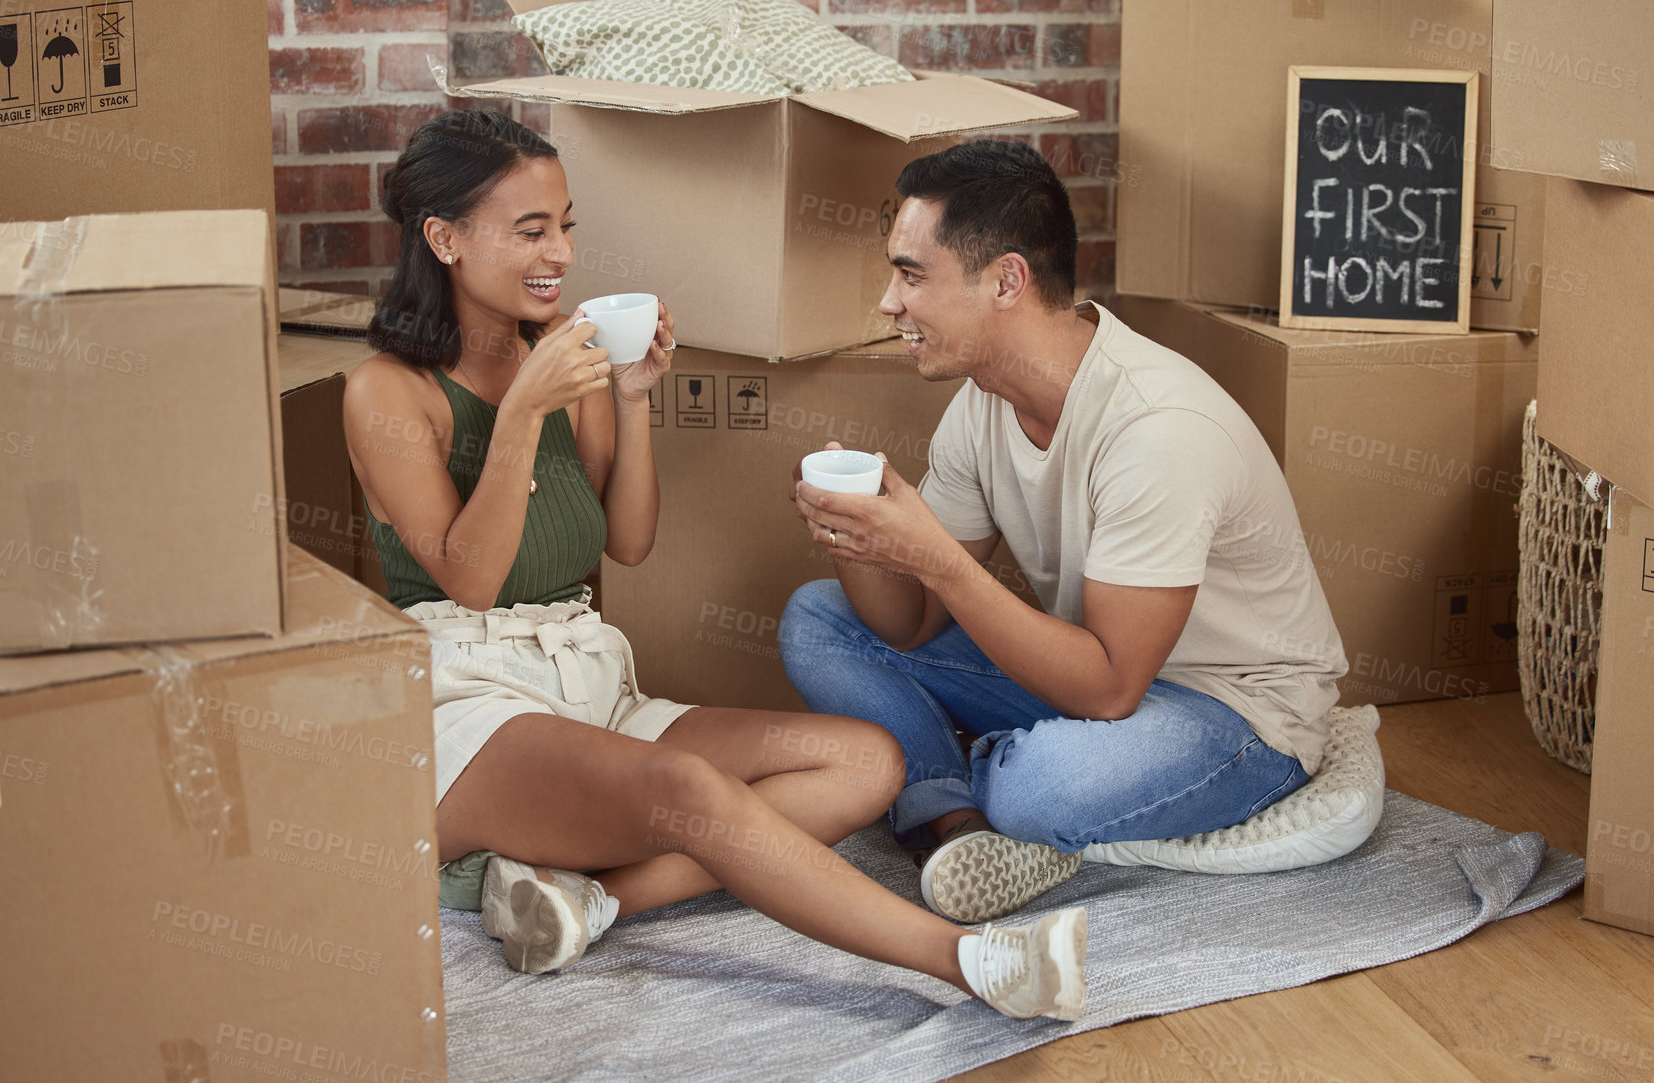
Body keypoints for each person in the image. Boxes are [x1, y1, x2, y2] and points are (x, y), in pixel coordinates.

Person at [341, 110, 1088, 1021]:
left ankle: (592, 898)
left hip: (583, 677)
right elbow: (469, 578)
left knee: (865, 762)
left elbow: (630, 541)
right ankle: (971, 962)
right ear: (445, 238)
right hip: (461, 703)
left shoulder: (561, 363)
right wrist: (521, 417)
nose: (562, 253)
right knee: (694, 793)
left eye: (567, 224)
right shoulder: (387, 392)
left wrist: (632, 396)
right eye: (531, 230)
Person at [780, 140, 1348, 925]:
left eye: (911, 275)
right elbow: (906, 625)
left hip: (1235, 713)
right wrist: (857, 538)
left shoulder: (1159, 430)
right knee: (818, 618)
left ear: (1006, 280)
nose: (889, 302)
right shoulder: (981, 403)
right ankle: (957, 823)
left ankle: (956, 780)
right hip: (1100, 680)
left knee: (1040, 787)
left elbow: (1111, 688)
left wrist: (937, 560)